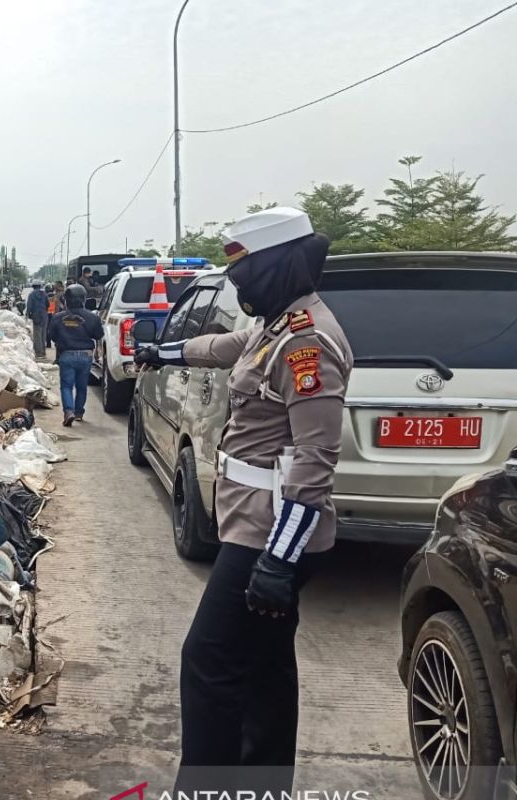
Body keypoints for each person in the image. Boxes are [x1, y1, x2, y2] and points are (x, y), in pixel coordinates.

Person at [134, 207, 353, 794]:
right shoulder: (279, 324)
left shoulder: (308, 344)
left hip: (271, 533)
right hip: (252, 522)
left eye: (246, 272)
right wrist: (168, 353)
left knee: (207, 663)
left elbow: (314, 460)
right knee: (265, 667)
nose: (239, 284)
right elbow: (229, 345)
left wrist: (279, 561)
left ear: (279, 266)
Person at [48, 283, 103, 426]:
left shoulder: (58, 317)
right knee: (81, 386)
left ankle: (68, 412)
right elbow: (98, 334)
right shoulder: (92, 317)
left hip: (66, 355)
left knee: (66, 386)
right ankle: (79, 412)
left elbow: (52, 336)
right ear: (84, 299)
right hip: (85, 356)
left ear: (66, 300)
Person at [24, 280, 50, 359]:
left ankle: (39, 353)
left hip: (36, 316)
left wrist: (27, 315)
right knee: (43, 334)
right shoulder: (44, 294)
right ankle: (43, 352)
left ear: (33, 286)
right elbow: (47, 304)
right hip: (44, 316)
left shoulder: (31, 295)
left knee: (37, 335)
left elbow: (29, 306)